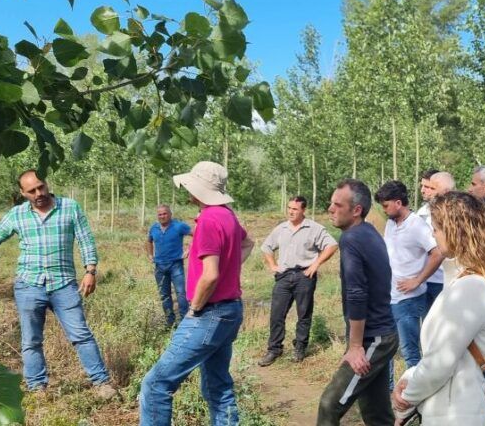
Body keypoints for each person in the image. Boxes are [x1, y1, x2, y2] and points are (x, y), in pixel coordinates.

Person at [0, 170, 117, 399]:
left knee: (81, 335)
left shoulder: (69, 207)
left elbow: (85, 239)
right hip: (29, 285)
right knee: (31, 340)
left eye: (41, 187)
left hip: (64, 284)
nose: (39, 193)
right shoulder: (17, 214)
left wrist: (90, 270)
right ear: (23, 193)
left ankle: (102, 382)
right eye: (31, 190)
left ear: (46, 184)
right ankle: (37, 387)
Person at [139, 161, 255, 426]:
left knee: (155, 385)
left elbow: (211, 274)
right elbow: (248, 243)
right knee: (218, 387)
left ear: (198, 189)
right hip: (231, 311)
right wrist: (230, 268)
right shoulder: (227, 215)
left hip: (209, 313)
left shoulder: (208, 221)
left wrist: (195, 309)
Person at [391, 192, 485, 425]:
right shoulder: (472, 281)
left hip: (459, 414)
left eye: (436, 228)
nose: (432, 234)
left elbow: (439, 363)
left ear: (455, 231)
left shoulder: (471, 289)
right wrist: (410, 377)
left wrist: (404, 401)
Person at [317, 179, 397, 426]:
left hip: (373, 339)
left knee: (330, 405)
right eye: (331, 203)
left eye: (337, 204)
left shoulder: (351, 239)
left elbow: (357, 293)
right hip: (383, 334)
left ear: (356, 210)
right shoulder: (369, 232)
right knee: (377, 413)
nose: (330, 208)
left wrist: (355, 346)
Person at [258, 196, 338, 366]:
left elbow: (331, 245)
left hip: (304, 276)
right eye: (289, 208)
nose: (290, 212)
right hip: (284, 276)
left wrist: (316, 264)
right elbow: (266, 247)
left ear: (303, 210)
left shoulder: (314, 228)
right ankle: (274, 349)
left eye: (295, 209)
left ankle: (300, 347)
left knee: (304, 314)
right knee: (277, 314)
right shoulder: (281, 228)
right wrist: (273, 265)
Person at [375, 180, 444, 370]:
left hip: (409, 300)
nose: (384, 210)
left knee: (410, 352)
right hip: (390, 296)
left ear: (398, 203)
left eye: (386, 206)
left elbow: (437, 253)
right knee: (385, 348)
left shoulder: (417, 226)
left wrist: (418, 280)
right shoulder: (390, 224)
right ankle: (386, 392)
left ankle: (413, 396)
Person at [146, 204, 192, 327]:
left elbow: (197, 234)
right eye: (160, 214)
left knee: (181, 293)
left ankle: (184, 322)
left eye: (165, 213)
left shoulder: (179, 226)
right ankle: (169, 322)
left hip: (175, 265)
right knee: (164, 295)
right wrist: (150, 255)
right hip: (159, 267)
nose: (162, 216)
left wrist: (189, 250)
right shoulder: (154, 228)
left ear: (170, 214)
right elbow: (149, 241)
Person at [415, 169, 447, 306]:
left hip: (444, 279)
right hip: (426, 278)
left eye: (428, 187)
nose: (423, 190)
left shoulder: (452, 213)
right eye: (422, 186)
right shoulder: (420, 214)